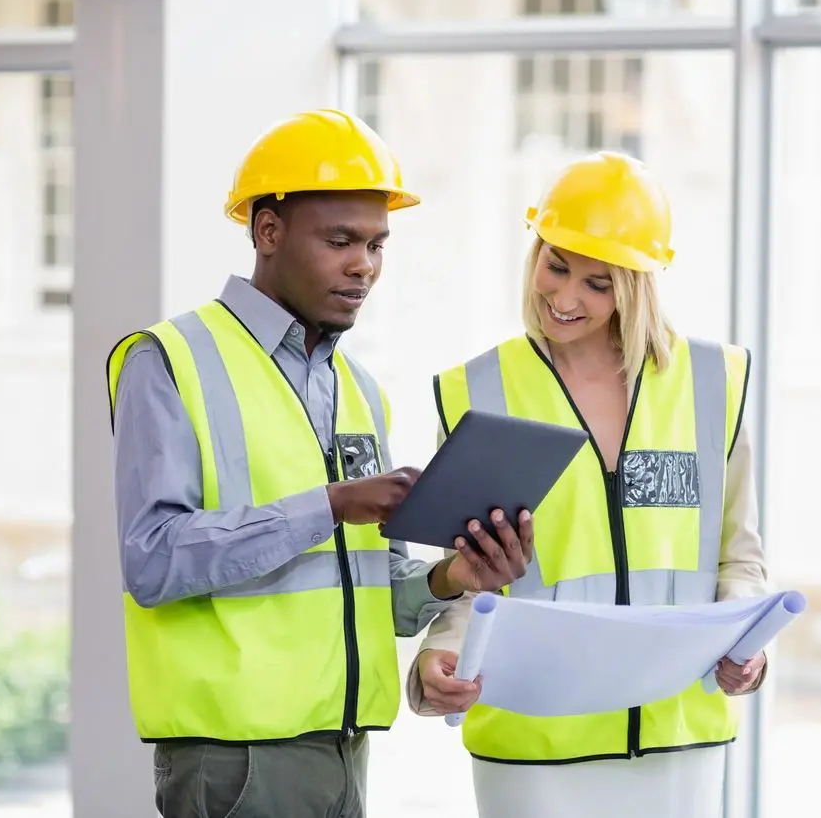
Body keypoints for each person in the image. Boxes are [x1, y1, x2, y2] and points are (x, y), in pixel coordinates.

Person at [105, 109, 535, 818]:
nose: (363, 264)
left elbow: (371, 590)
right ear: (267, 232)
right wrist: (331, 505)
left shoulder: (359, 389)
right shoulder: (168, 361)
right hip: (235, 758)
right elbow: (152, 562)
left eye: (375, 244)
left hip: (343, 748)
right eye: (340, 240)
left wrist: (453, 574)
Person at [407, 151, 772, 818]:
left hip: (677, 738)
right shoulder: (478, 391)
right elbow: (466, 575)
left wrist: (750, 650)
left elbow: (738, 557)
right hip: (534, 742)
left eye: (599, 284)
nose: (565, 298)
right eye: (556, 264)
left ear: (638, 286)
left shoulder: (714, 383)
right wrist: (439, 656)